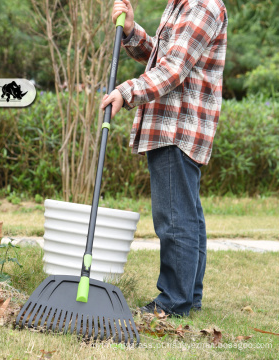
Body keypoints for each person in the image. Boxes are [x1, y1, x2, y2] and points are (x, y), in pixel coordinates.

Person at [100, 0, 228, 316]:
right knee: (186, 215)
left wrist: (126, 92)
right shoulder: (180, 6)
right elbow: (162, 56)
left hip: (177, 127)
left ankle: (173, 302)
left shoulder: (201, 5)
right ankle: (189, 296)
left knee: (174, 218)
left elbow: (173, 69)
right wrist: (131, 30)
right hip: (174, 126)